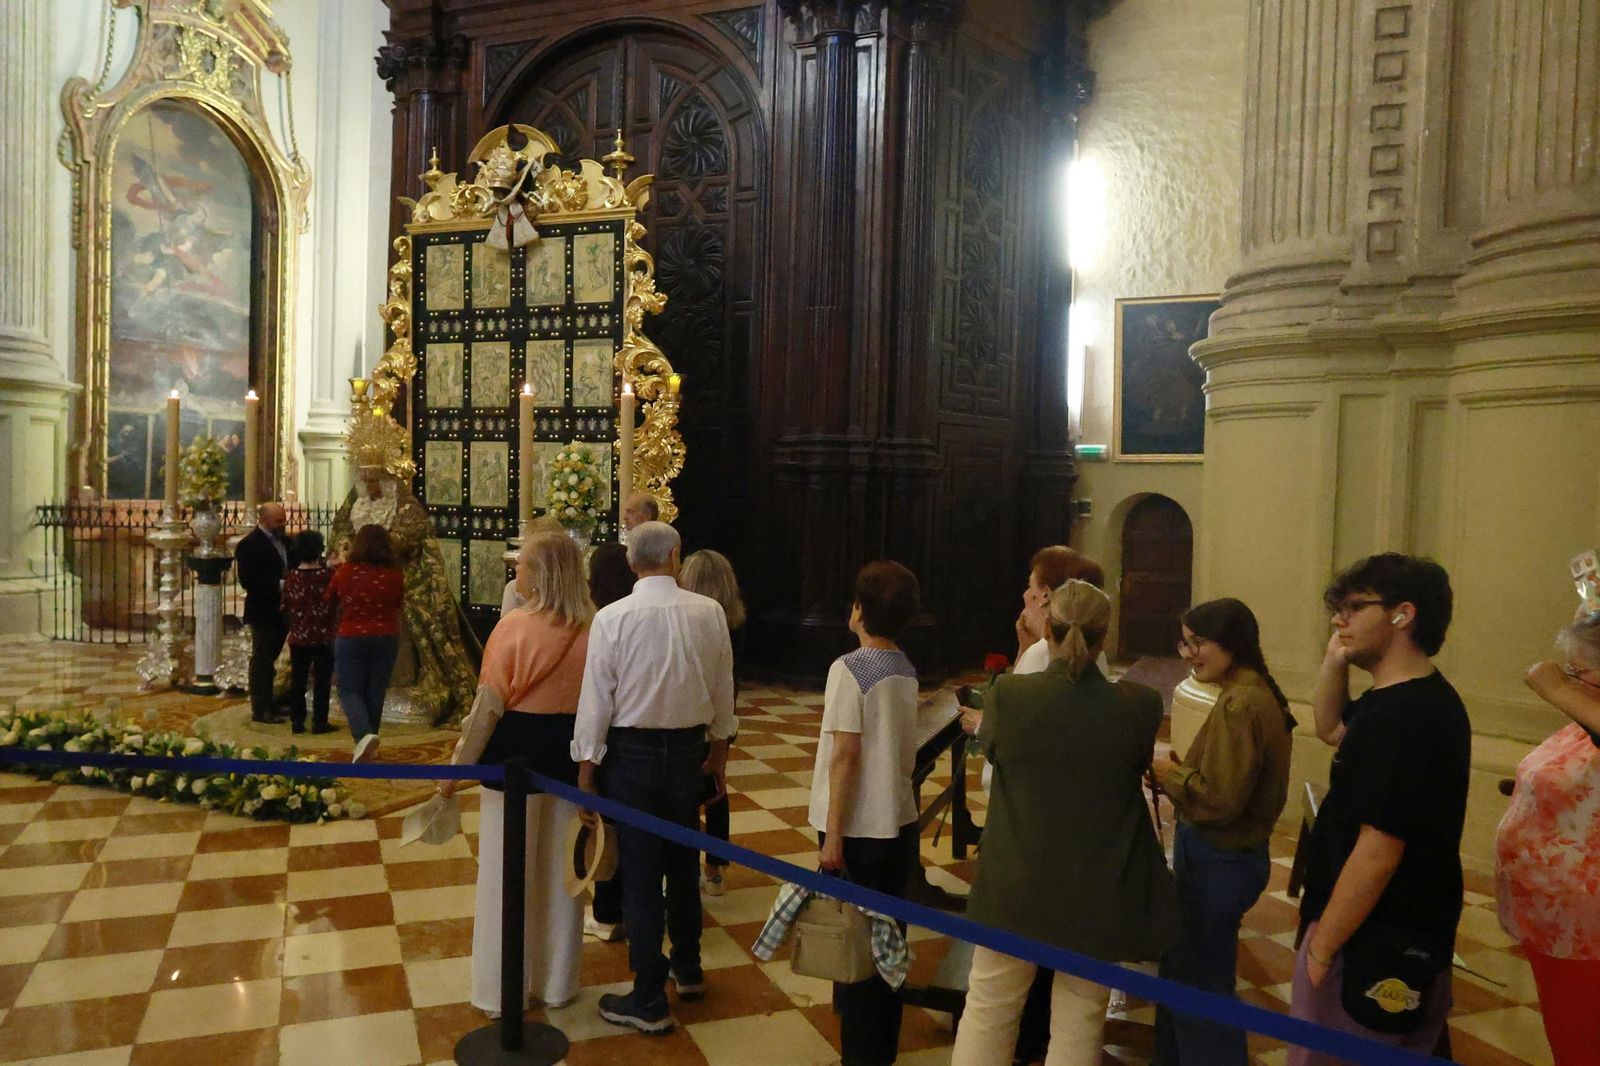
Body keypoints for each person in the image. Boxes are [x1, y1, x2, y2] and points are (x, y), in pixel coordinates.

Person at [952, 580, 1176, 1066]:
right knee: (1081, 1018)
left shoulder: (1010, 695)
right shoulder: (1139, 705)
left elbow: (993, 751)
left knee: (990, 1009)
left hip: (1016, 881)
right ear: (1104, 636)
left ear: (1047, 629)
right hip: (1098, 887)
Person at [1291, 553, 1469, 1064]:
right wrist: (1335, 657)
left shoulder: (1409, 717)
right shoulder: (1394, 700)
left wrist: (1323, 947)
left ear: (1402, 614)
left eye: (1352, 608)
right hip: (1375, 928)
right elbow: (1329, 729)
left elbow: (1379, 852)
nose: (1337, 619)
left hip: (1375, 936)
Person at [573, 521, 736, 1034]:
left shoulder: (612, 618)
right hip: (689, 752)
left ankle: (647, 998)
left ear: (631, 562)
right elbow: (723, 696)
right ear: (675, 556)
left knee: (641, 873)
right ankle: (688, 969)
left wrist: (586, 770)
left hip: (633, 757)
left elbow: (596, 701)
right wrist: (718, 761)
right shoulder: (708, 613)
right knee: (684, 860)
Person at [442, 532, 594, 1016]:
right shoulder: (596, 628)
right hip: (571, 756)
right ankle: (556, 983)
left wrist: (455, 771)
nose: (516, 575)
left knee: (504, 875)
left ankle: (498, 989)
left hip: (513, 758)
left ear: (542, 574)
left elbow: (488, 708)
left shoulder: (513, 627)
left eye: (523, 566)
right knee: (561, 875)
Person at [1152, 598, 1295, 1065]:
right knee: (1186, 971)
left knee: (1201, 987)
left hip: (1220, 858)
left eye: (1199, 643)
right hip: (1223, 856)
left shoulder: (1241, 703)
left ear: (1232, 642)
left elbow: (1219, 799)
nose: (1190, 654)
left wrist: (1165, 773)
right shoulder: (1248, 691)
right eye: (1185, 643)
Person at [808, 560, 923, 1066]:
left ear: (859, 610)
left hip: (856, 828)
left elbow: (845, 754)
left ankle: (859, 1056)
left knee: (856, 948)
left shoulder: (849, 669)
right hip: (898, 821)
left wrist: (833, 837)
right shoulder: (904, 666)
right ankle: (882, 1051)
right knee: (888, 947)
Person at [1494, 610, 1600, 1065]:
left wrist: (1555, 684)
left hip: (1587, 928)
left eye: (1580, 670)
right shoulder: (1585, 719)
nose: (1570, 679)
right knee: (1567, 1036)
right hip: (1552, 915)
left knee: (1580, 1045)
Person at [331, 466, 479, 726]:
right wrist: (345, 546)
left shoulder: (407, 506)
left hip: (401, 575)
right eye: (365, 480)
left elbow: (409, 536)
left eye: (375, 480)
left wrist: (374, 547)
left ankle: (380, 711)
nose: (370, 486)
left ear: (387, 481)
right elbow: (341, 528)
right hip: (359, 583)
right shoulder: (354, 502)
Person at [680, 549, 746, 898]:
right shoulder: (731, 621)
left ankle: (686, 863)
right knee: (717, 789)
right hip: (724, 715)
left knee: (689, 792)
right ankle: (715, 869)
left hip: (695, 717)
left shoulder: (690, 621)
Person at [580, 538, 636, 943]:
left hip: (608, 740)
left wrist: (586, 761)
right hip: (640, 736)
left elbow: (595, 697)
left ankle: (607, 911)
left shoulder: (599, 620)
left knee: (607, 828)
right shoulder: (637, 618)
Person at [326, 524, 406, 763]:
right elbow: (398, 603)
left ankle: (364, 735)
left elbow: (329, 598)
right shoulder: (394, 574)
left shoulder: (346, 571)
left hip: (352, 635)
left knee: (349, 689)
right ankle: (371, 743)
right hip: (386, 636)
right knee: (375, 690)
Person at [235, 501, 290, 725]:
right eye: (278, 521)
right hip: (264, 610)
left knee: (280, 659)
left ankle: (276, 702)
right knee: (263, 660)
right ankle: (261, 708)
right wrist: (281, 584)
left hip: (287, 609)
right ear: (263, 520)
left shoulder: (287, 542)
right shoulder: (249, 545)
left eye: (283, 519)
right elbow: (248, 581)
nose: (283, 524)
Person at [280, 529, 339, 736]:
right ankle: (319, 721)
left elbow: (286, 606)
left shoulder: (292, 576)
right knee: (322, 681)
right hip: (323, 635)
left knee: (298, 679)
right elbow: (335, 602)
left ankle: (297, 721)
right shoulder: (327, 575)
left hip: (299, 635)